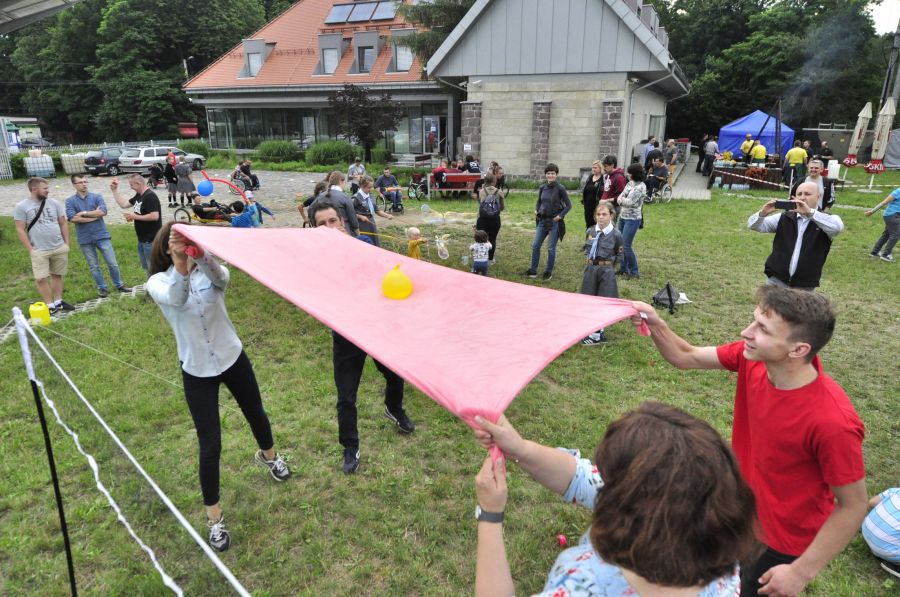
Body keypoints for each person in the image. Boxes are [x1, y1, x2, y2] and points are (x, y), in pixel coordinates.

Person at [629, 286, 868, 597]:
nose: (746, 332)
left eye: (763, 329)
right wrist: (656, 323)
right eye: (754, 320)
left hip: (779, 545)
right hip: (736, 513)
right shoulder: (753, 359)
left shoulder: (834, 422)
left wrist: (800, 572)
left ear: (798, 349)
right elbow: (685, 356)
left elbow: (853, 506)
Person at [471, 402, 757, 597]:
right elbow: (581, 478)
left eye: (611, 478)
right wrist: (519, 448)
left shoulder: (585, 586)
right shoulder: (717, 557)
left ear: (629, 502)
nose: (601, 481)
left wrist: (490, 515)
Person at [147, 221, 291, 552]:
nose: (184, 247)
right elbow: (176, 299)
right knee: (210, 444)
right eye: (177, 243)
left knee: (256, 413)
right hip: (197, 369)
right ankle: (215, 519)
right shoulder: (158, 282)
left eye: (188, 241)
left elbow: (222, 278)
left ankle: (270, 457)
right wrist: (181, 264)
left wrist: (200, 254)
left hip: (232, 356)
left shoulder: (209, 271)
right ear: (166, 248)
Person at [311, 202, 416, 474]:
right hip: (346, 336)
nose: (329, 227)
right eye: (321, 224)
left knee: (395, 376)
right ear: (314, 229)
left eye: (332, 221)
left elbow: (388, 274)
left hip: (376, 328)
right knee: (346, 397)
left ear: (342, 222)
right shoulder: (315, 262)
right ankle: (350, 446)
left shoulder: (364, 245)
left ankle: (394, 408)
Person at [747, 181, 844, 290]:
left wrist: (810, 213)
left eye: (807, 194)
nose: (802, 198)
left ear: (818, 196)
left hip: (804, 286)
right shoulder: (785, 217)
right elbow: (753, 225)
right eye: (799, 194)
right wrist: (762, 213)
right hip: (776, 281)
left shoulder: (826, 219)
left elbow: (837, 228)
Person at [14, 177, 74, 313]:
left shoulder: (54, 203)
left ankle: (58, 302)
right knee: (41, 278)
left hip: (58, 246)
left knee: (57, 274)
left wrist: (66, 244)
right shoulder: (21, 206)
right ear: (34, 189)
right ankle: (50, 305)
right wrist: (30, 249)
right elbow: (20, 229)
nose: (48, 191)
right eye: (45, 188)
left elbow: (63, 223)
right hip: (39, 249)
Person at [64, 175, 131, 298]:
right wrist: (94, 217)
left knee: (112, 263)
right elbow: (73, 218)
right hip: (84, 238)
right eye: (80, 182)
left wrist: (84, 214)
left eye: (85, 181)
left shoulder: (97, 197)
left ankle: (119, 284)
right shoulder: (70, 201)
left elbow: (103, 212)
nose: (84, 184)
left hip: (101, 235)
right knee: (94, 266)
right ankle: (102, 288)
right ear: (74, 185)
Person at [579, 201, 623, 345]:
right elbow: (588, 249)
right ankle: (593, 330)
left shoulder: (616, 235)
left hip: (606, 270)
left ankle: (596, 335)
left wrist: (610, 269)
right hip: (591, 269)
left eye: (604, 214)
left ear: (612, 215)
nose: (601, 217)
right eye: (598, 214)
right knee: (589, 299)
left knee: (603, 301)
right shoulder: (590, 231)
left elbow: (619, 254)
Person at [524, 163, 571, 281]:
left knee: (551, 248)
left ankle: (548, 272)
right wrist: (537, 210)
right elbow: (539, 202)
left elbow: (569, 205)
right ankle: (533, 270)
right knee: (535, 245)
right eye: (548, 173)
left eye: (553, 173)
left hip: (554, 222)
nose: (550, 175)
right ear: (545, 174)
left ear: (556, 174)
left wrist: (560, 216)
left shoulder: (560, 188)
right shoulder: (542, 187)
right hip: (542, 220)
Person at [110, 173, 162, 274]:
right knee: (146, 267)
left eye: (131, 185)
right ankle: (149, 282)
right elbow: (124, 204)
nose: (130, 187)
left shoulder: (150, 196)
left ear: (138, 183)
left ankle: (154, 283)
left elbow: (155, 216)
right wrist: (114, 190)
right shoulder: (139, 195)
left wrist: (134, 216)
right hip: (142, 239)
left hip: (151, 240)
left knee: (153, 269)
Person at [615, 163, 647, 279]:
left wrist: (622, 200)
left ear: (635, 174)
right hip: (623, 216)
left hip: (633, 219)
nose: (627, 175)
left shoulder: (641, 187)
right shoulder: (630, 183)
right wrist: (622, 199)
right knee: (621, 244)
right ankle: (623, 268)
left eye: (629, 173)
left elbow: (630, 202)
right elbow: (620, 197)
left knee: (626, 246)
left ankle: (634, 272)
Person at [306, 171, 360, 237]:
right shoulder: (344, 197)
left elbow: (310, 209)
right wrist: (358, 235)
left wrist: (316, 226)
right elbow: (353, 220)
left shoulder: (320, 196)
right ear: (341, 181)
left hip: (324, 231)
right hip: (343, 230)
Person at [862, 488, 900, 578]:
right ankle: (896, 567)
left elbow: (872, 502)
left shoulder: (896, 491)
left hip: (866, 529)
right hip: (888, 549)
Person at [353, 175, 393, 247]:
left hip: (371, 223)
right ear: (362, 186)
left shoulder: (370, 196)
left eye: (371, 187)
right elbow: (350, 213)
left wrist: (387, 216)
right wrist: (359, 216)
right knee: (366, 244)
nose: (371, 189)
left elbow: (377, 210)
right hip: (362, 225)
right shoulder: (355, 198)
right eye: (369, 187)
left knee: (374, 243)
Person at [474, 172, 505, 263]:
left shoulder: (481, 191)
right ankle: (490, 259)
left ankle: (480, 258)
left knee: (480, 238)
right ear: (494, 181)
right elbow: (502, 207)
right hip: (494, 220)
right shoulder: (499, 192)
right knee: (492, 239)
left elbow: (480, 205)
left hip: (482, 219)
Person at [864, 186, 900, 263]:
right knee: (896, 235)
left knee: (887, 234)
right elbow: (884, 202)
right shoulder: (898, 191)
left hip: (894, 216)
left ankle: (874, 252)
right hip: (892, 215)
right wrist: (872, 211)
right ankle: (886, 254)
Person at [581, 160, 604, 229]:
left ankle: (597, 236)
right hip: (587, 206)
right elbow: (585, 189)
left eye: (595, 168)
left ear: (600, 168)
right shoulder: (590, 177)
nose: (593, 169)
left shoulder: (603, 179)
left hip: (597, 206)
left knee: (597, 225)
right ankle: (589, 236)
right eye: (593, 167)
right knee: (588, 224)